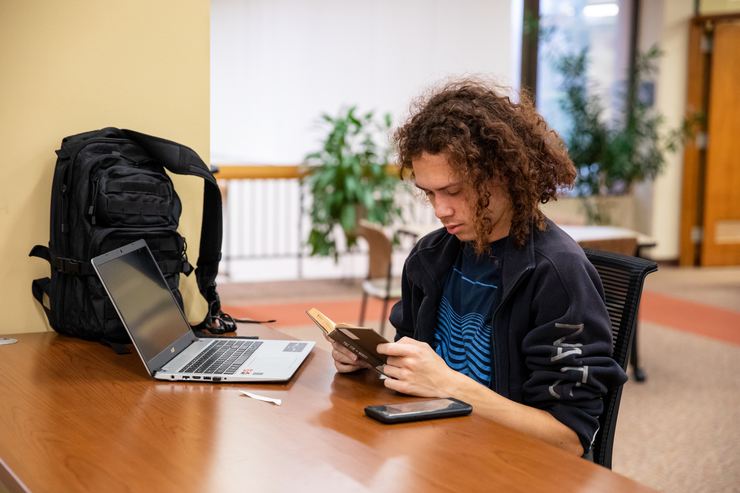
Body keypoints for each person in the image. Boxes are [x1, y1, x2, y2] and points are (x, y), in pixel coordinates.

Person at [326, 77, 628, 457]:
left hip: (508, 466)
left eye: (453, 191)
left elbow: (568, 439)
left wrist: (451, 385)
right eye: (429, 193)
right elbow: (412, 359)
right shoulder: (430, 256)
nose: (440, 210)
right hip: (438, 448)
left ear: (503, 173)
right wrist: (372, 360)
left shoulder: (558, 273)